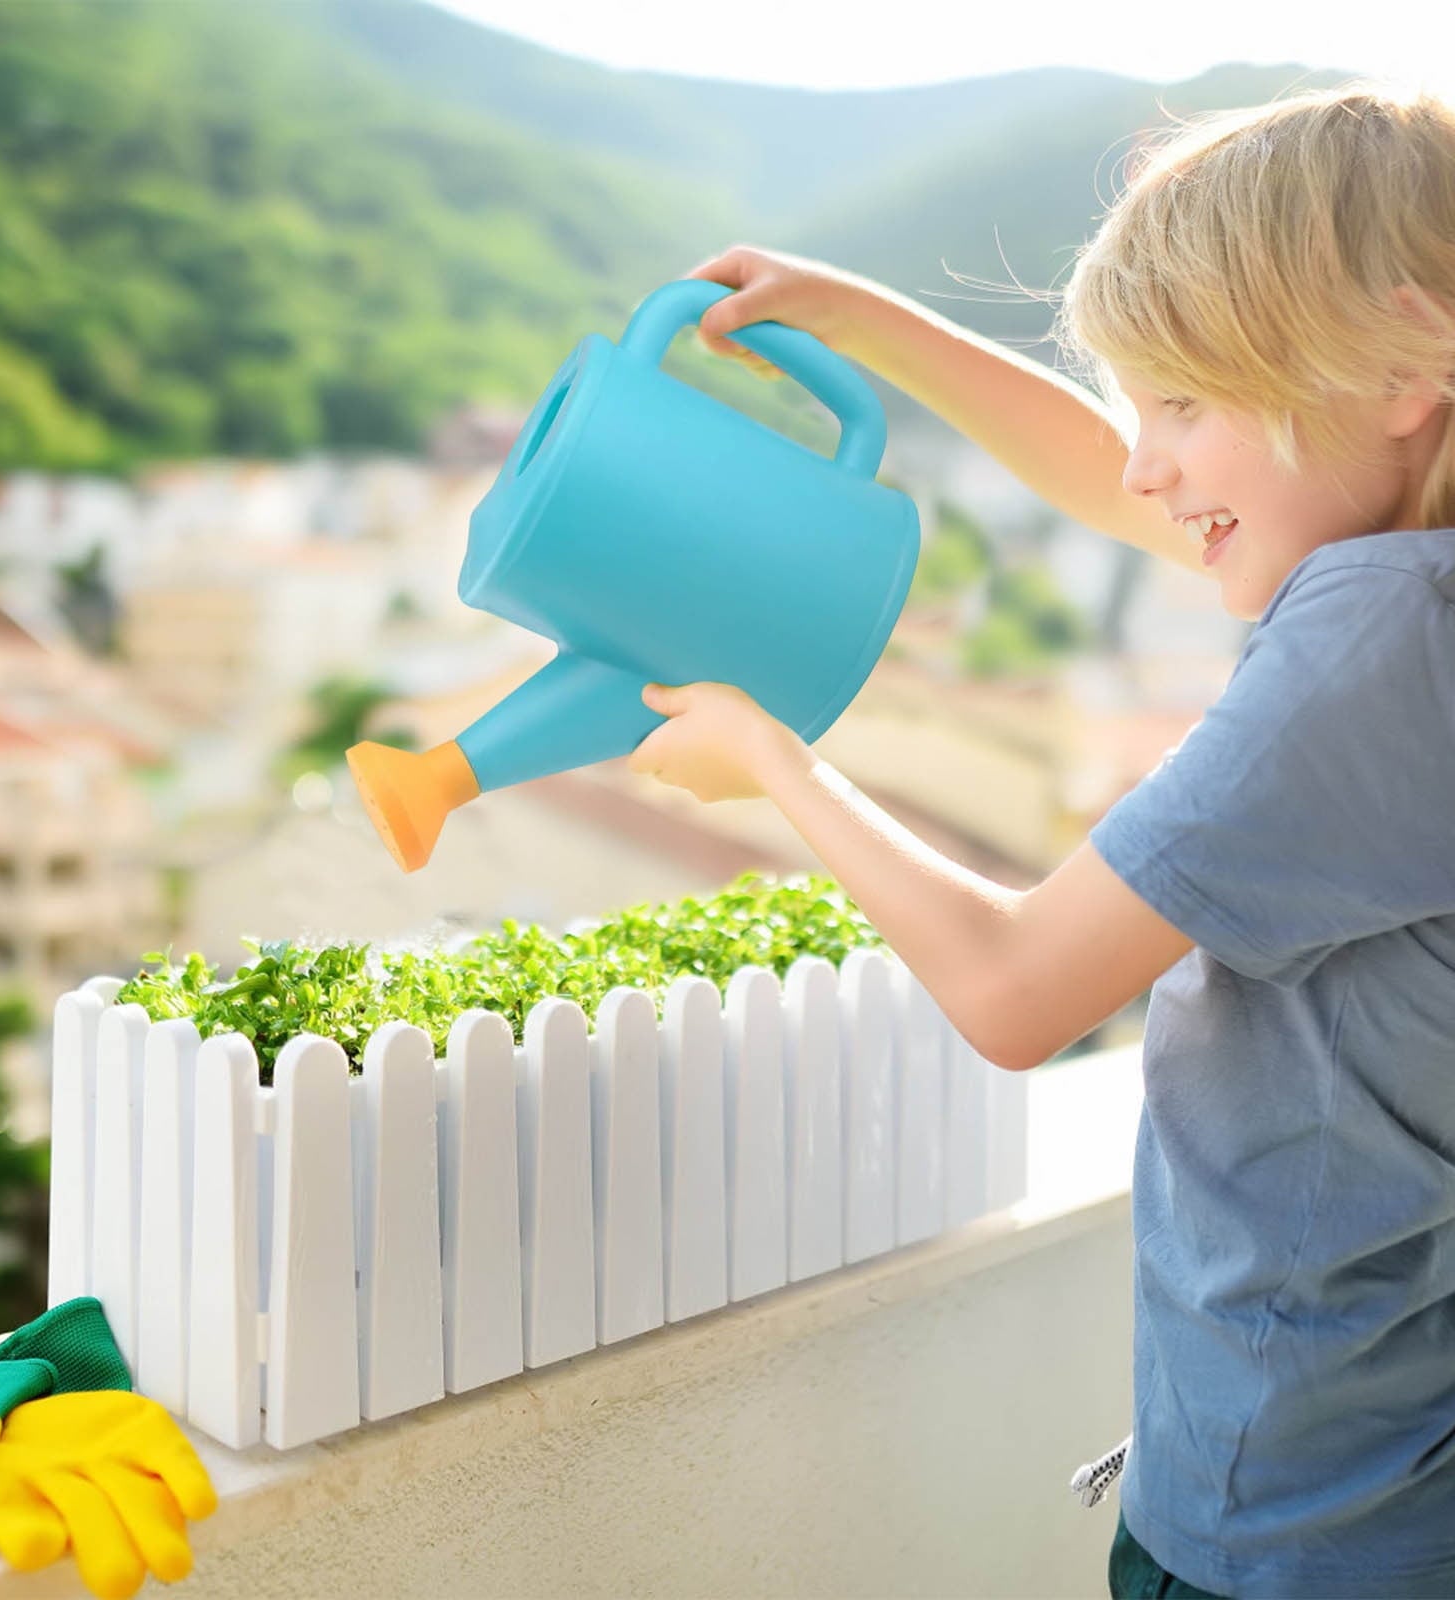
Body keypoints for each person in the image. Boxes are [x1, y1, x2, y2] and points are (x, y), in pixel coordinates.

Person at [630, 82, 1455, 1600]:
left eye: (1188, 404)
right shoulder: (1411, 581)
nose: (1147, 462)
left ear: (1406, 361)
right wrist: (865, 319)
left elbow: (1017, 992)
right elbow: (1112, 478)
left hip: (1289, 1541)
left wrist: (774, 762)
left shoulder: (1377, 636)